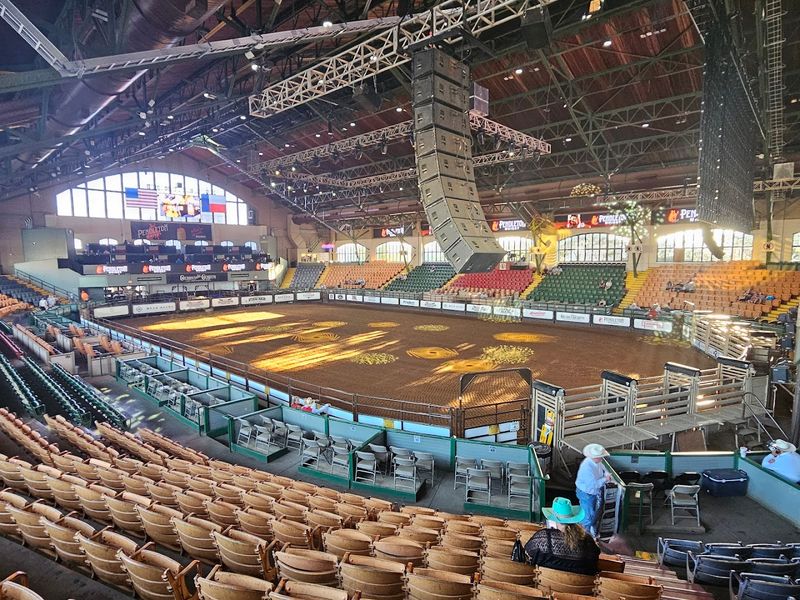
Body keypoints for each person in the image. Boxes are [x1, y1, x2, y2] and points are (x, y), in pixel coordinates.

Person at [523, 497, 600, 575]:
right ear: (573, 518)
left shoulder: (543, 538)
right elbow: (593, 565)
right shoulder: (588, 542)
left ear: (553, 518)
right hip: (580, 586)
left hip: (544, 585)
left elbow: (525, 555)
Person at [575, 443, 611, 538]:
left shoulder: (596, 461)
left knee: (590, 514)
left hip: (590, 492)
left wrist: (606, 473)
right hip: (586, 493)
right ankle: (583, 536)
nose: (601, 458)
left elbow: (603, 467)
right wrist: (605, 479)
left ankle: (586, 534)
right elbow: (594, 485)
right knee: (587, 517)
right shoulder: (586, 468)